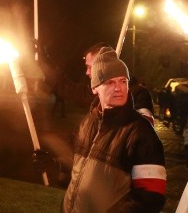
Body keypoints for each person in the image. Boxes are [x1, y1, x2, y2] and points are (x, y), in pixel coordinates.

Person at [48, 46, 166, 212]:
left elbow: (151, 197)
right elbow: (76, 174)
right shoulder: (86, 124)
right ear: (95, 88)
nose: (118, 88)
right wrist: (53, 166)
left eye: (123, 81)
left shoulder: (140, 133)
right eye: (110, 82)